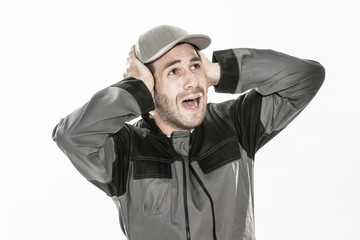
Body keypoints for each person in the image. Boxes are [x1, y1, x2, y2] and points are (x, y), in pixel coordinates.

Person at [52, 25, 325, 240]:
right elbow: (71, 136)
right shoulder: (124, 151)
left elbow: (305, 78)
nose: (192, 80)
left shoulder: (236, 124)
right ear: (148, 86)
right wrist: (135, 89)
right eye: (173, 71)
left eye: (195, 66)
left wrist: (219, 71)